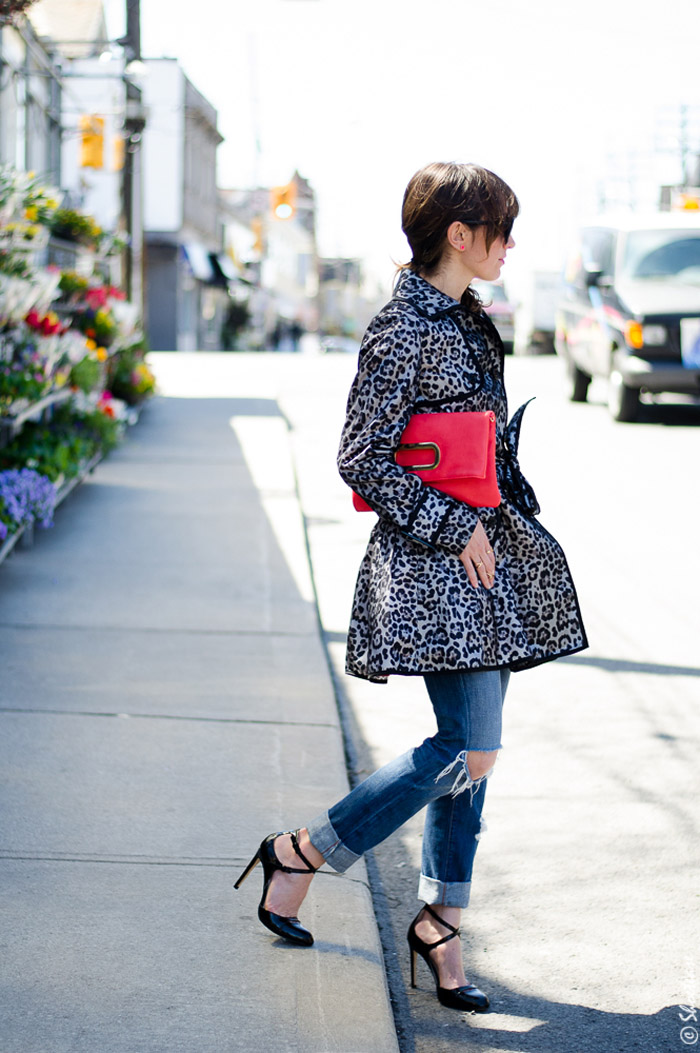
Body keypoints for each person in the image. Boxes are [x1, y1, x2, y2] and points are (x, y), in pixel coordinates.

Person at [235, 162, 587, 1013]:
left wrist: (505, 518)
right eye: (499, 229)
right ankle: (304, 851)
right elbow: (362, 455)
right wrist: (453, 523)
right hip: (435, 564)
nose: (509, 244)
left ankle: (442, 918)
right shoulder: (403, 326)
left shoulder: (470, 320)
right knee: (468, 748)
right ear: (458, 234)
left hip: (486, 556)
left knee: (474, 755)